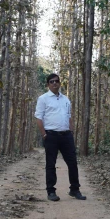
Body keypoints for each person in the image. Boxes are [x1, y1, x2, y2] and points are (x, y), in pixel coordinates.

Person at [34, 73, 86, 201]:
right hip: (51, 135)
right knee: (51, 164)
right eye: (51, 81)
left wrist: (71, 130)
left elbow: (69, 116)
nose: (54, 83)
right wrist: (44, 134)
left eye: (56, 81)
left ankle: (75, 189)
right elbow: (39, 117)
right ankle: (51, 191)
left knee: (72, 162)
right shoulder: (43, 99)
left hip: (66, 136)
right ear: (48, 84)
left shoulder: (65, 99)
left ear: (59, 83)